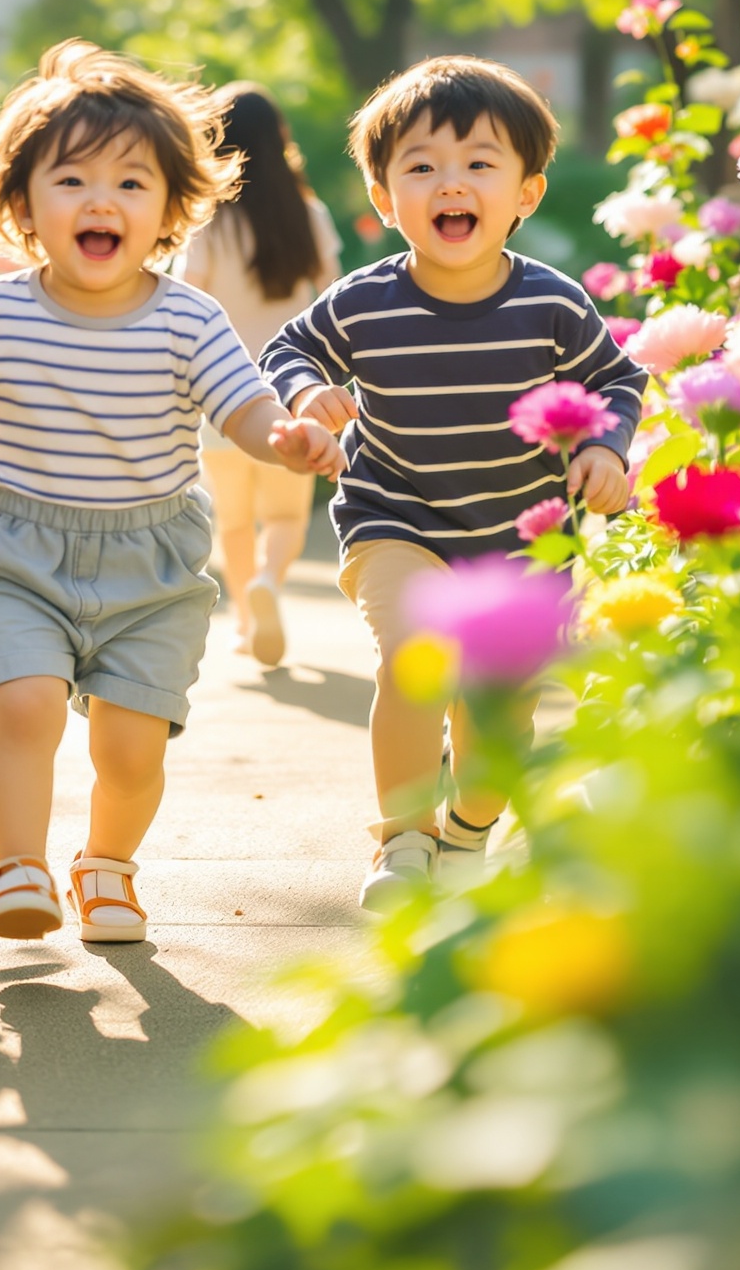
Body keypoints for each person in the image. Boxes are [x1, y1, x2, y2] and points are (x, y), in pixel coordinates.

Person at [0, 42, 345, 945]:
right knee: (25, 705)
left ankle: (107, 865)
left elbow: (242, 404)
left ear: (174, 209)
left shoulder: (188, 317)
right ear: (21, 203)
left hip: (152, 559)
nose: (101, 201)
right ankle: (18, 867)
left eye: (132, 185)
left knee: (130, 748)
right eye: (72, 181)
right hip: (18, 547)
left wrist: (284, 438)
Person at [259, 56, 644, 910]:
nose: (450, 184)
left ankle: (468, 829)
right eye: (421, 167)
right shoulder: (363, 302)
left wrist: (608, 450)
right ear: (384, 199)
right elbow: (286, 349)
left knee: (495, 715)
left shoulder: (553, 304)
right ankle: (403, 839)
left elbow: (618, 382)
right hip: (398, 520)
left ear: (526, 194)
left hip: (522, 537)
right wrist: (307, 391)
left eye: (479, 164)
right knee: (413, 660)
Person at [180, 84, 341, 666]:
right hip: (292, 390)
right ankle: (269, 583)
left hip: (220, 392)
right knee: (284, 515)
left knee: (235, 520)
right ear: (280, 138)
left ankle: (248, 623)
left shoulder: (209, 223)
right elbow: (334, 298)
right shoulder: (309, 213)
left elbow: (185, 300)